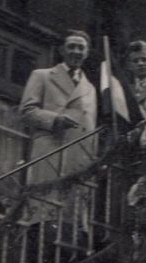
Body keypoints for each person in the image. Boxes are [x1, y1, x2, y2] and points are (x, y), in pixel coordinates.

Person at [20, 30, 98, 186]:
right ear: (62, 50)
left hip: (78, 158)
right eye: (71, 46)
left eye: (81, 48)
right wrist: (55, 119)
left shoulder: (90, 88)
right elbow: (26, 112)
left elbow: (90, 129)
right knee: (45, 196)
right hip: (50, 151)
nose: (76, 51)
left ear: (87, 53)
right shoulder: (42, 75)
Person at [124, 40, 146, 105]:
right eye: (135, 61)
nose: (140, 63)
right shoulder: (126, 89)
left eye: (144, 59)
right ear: (129, 65)